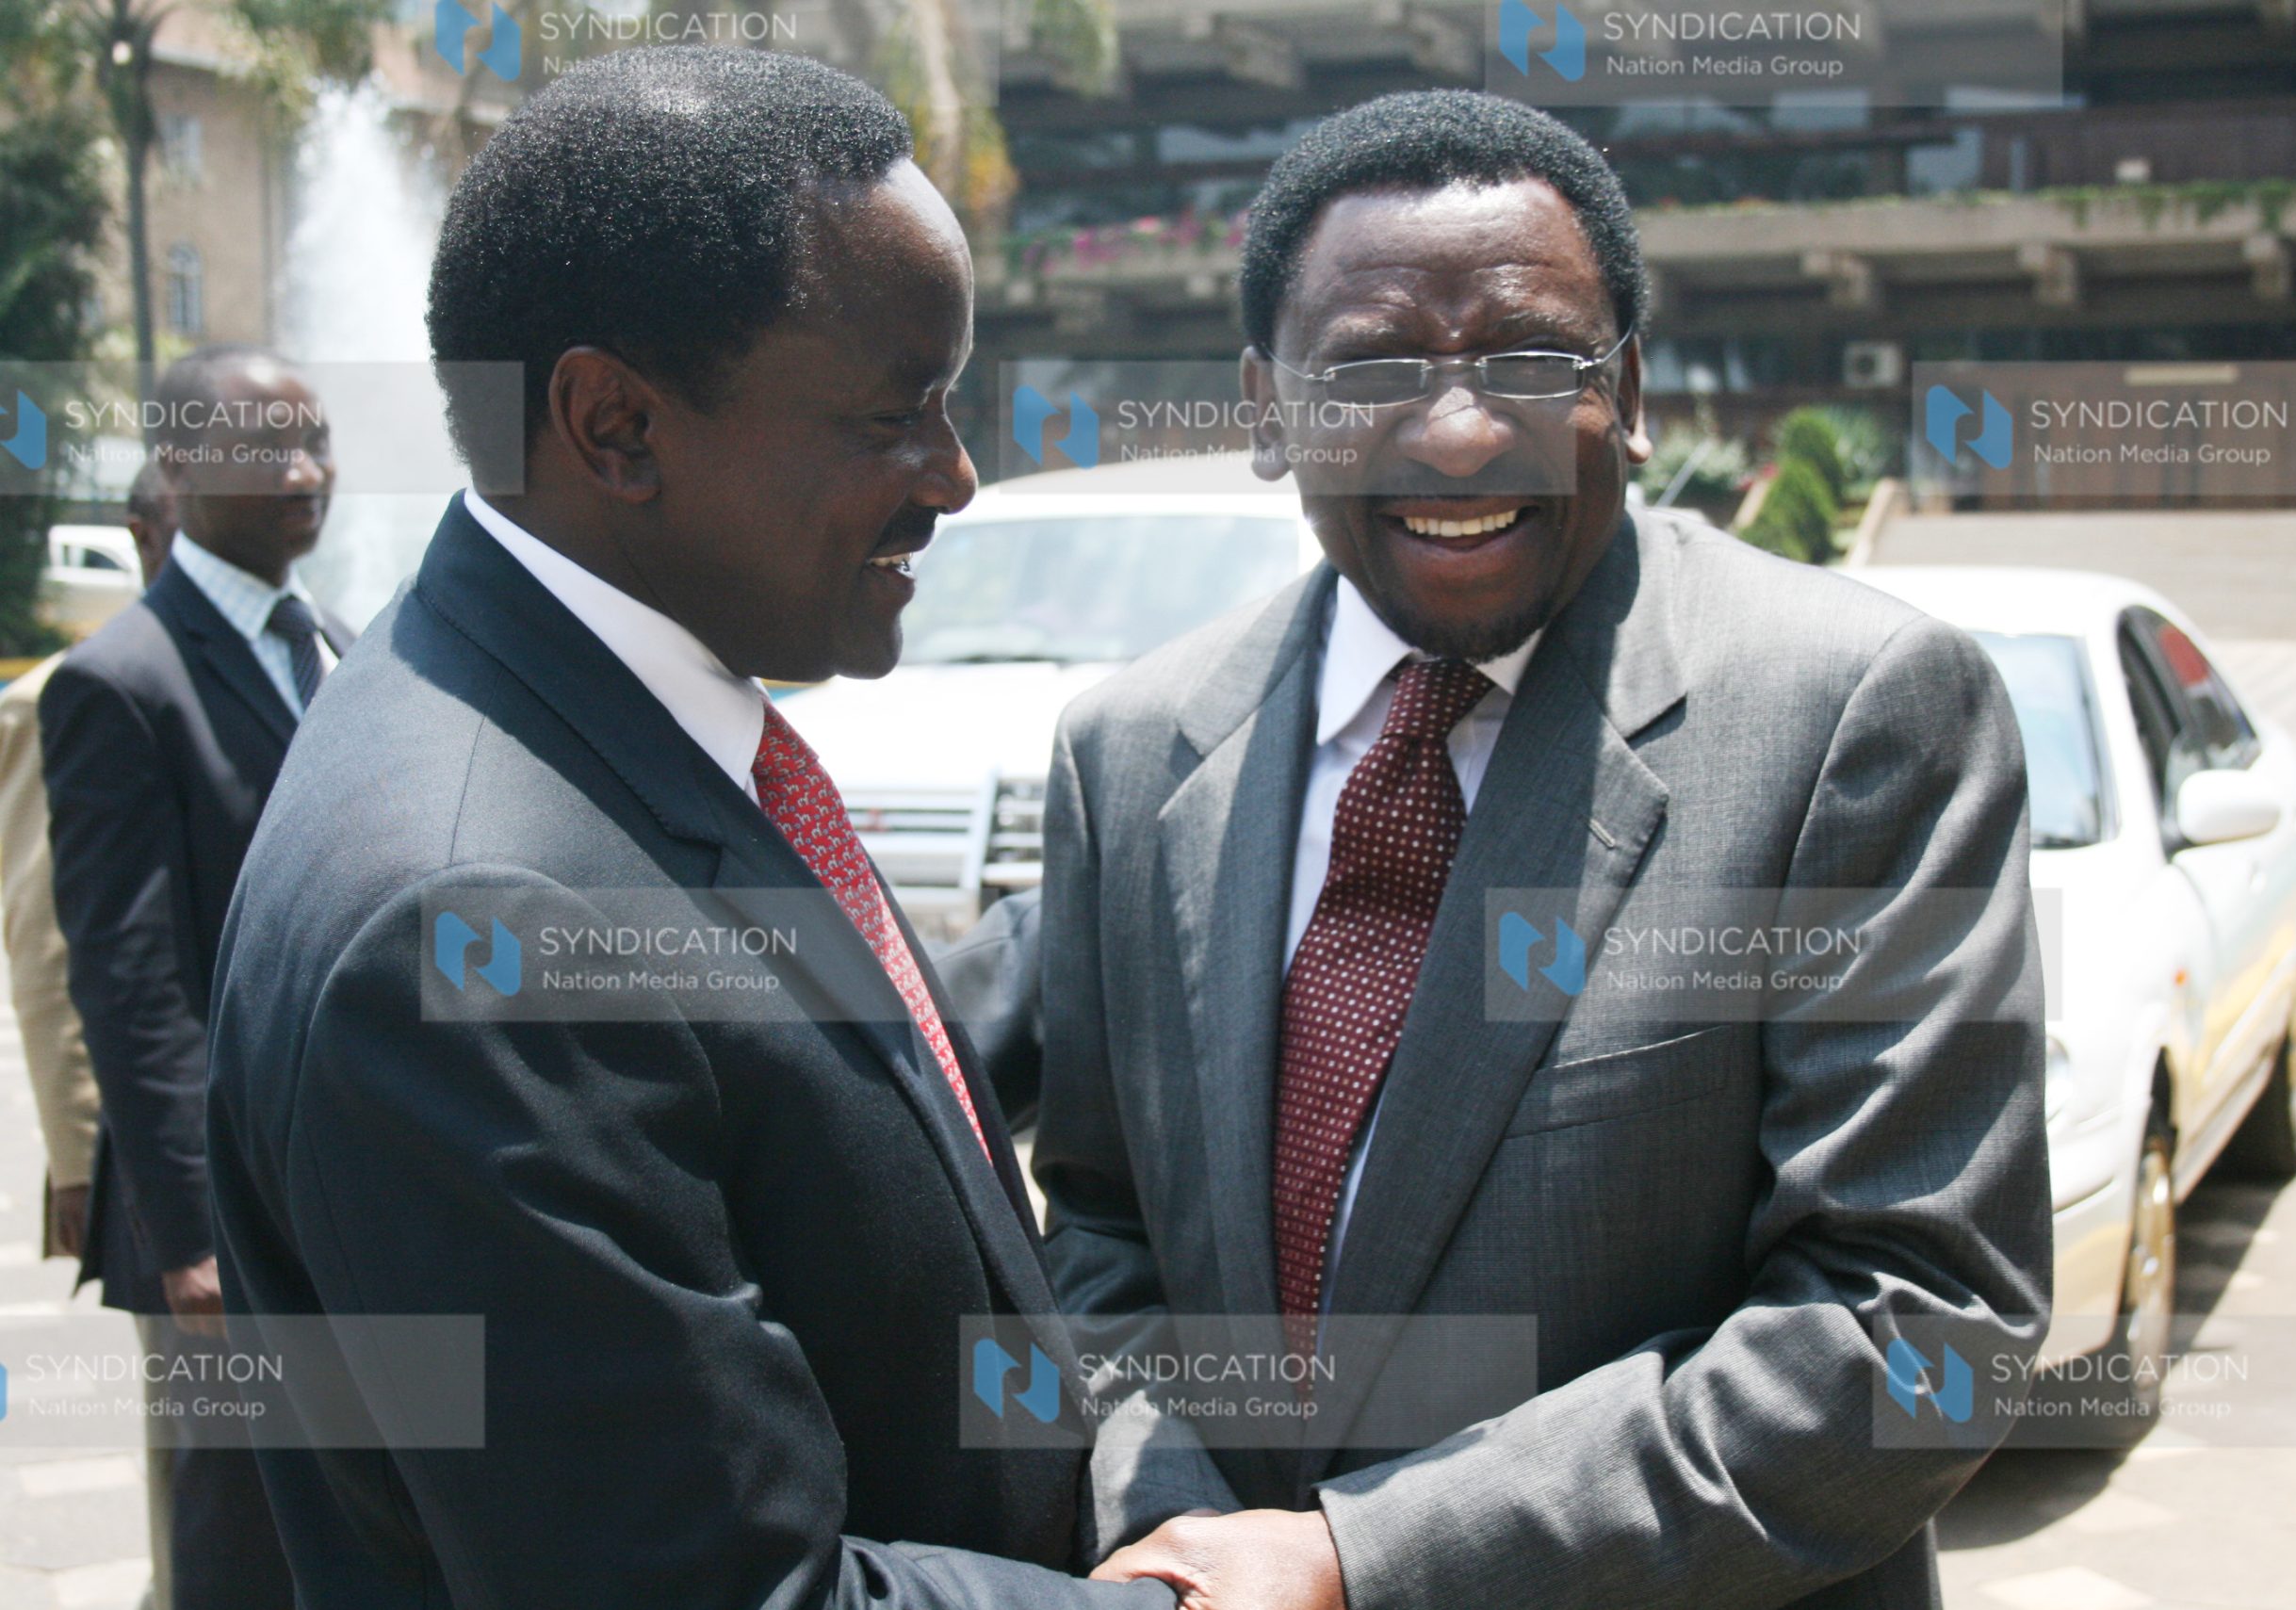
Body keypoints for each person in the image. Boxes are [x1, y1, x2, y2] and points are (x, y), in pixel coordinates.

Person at [1036, 89, 2053, 1610]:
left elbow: (1921, 1329)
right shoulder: (1128, 753)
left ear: (1630, 391)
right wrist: (1181, 1535)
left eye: (1530, 360)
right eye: (1371, 366)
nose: (1457, 435)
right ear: (1267, 407)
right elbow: (1105, 1237)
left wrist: (1361, 1561)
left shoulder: (1860, 714)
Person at [204, 47, 1186, 1610]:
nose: (957, 474)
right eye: (896, 411)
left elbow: (796, 1064)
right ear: (616, 425)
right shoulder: (471, 924)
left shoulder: (584, 714)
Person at [43, 349, 347, 1610]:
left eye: (318, 438)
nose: (305, 470)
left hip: (341, 1175)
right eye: (264, 445)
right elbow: (130, 974)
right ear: (178, 467)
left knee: (350, 1509)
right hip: (220, 1208)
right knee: (237, 1534)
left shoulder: (330, 643)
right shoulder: (120, 684)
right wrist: (187, 1236)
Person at [0, 463, 175, 1609]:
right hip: (157, 1140)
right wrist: (78, 1153)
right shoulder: (62, 694)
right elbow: (46, 936)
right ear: (149, 529)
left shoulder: (312, 661)